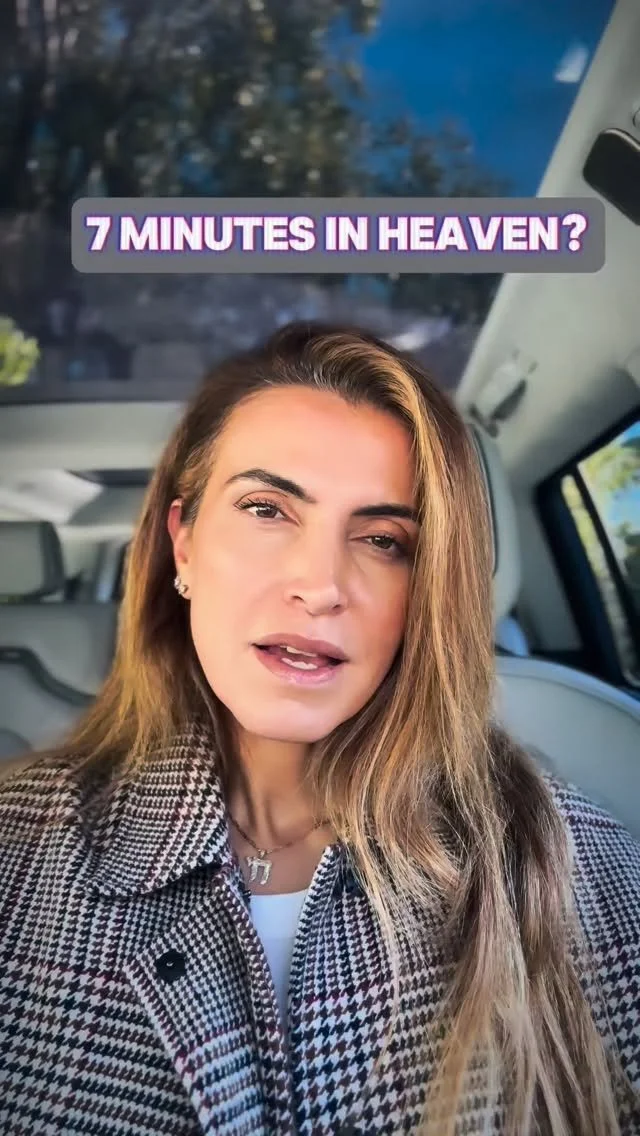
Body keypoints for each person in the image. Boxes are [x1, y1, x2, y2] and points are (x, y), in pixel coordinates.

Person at [0, 322, 638, 1136]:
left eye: (383, 540)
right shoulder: (17, 851)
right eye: (267, 509)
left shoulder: (575, 866)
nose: (321, 585)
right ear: (183, 544)